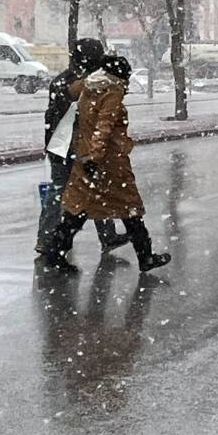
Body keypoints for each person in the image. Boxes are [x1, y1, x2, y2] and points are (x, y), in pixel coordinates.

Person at [43, 55, 171, 274]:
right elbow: (104, 126)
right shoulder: (112, 91)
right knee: (130, 208)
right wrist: (96, 156)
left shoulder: (87, 86)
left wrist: (89, 156)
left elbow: (70, 95)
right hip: (109, 163)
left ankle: (55, 252)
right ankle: (145, 256)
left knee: (78, 210)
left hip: (85, 159)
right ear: (121, 75)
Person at [36, 38, 127, 257]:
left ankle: (47, 238)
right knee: (90, 189)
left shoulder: (63, 80)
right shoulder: (90, 83)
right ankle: (104, 236)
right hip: (75, 146)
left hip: (59, 145)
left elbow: (53, 115)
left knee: (63, 191)